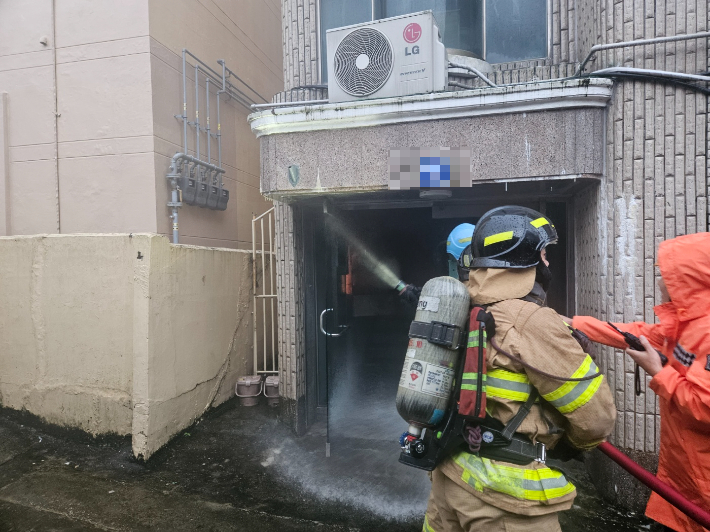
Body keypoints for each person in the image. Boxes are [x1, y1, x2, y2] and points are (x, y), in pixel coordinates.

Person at [423, 206, 616, 532]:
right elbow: (597, 418)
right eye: (543, 253)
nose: (548, 262)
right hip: (504, 500)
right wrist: (570, 444)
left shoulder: (464, 307)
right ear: (523, 259)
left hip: (448, 478)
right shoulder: (532, 320)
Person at [570, 232, 710, 532]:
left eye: (666, 273)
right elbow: (633, 333)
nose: (660, 279)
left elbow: (705, 407)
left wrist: (658, 373)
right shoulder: (686, 324)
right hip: (683, 473)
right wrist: (572, 324)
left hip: (703, 486)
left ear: (690, 280)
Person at [398, 223, 476, 304]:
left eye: (454, 261)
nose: (452, 266)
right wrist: (425, 296)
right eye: (451, 260)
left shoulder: (479, 294)